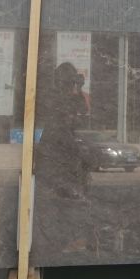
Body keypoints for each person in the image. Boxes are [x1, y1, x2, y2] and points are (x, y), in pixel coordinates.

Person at [34, 62, 90, 199]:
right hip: (55, 139)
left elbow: (83, 110)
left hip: (63, 138)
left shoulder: (70, 96)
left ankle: (70, 190)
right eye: (68, 82)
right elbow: (59, 113)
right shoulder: (52, 95)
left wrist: (79, 89)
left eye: (71, 82)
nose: (69, 85)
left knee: (75, 163)